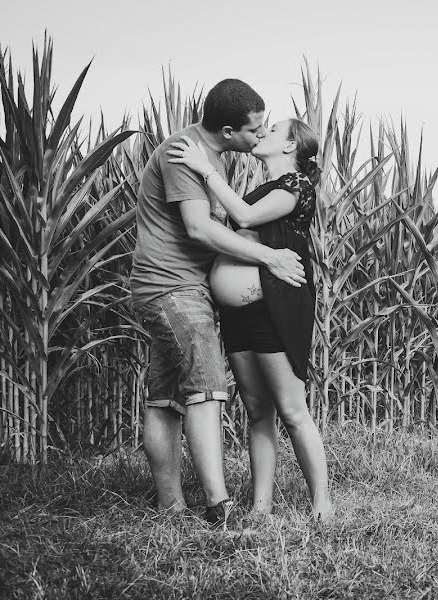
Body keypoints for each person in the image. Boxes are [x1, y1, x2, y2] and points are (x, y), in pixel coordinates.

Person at [130, 79, 307, 526]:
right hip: (174, 288)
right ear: (229, 131)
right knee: (207, 390)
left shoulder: (209, 156)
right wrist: (268, 256)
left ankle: (171, 506)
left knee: (165, 400)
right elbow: (199, 229)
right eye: (254, 129)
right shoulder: (184, 152)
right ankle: (219, 507)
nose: (258, 136)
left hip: (179, 287)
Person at [167, 117, 332, 521]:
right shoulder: (261, 190)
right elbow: (227, 218)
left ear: (291, 146)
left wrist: (205, 168)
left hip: (273, 310)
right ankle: (261, 508)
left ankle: (323, 504)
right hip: (238, 315)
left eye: (272, 131)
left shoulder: (296, 187)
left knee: (292, 411)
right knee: (257, 412)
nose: (262, 134)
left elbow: (241, 213)